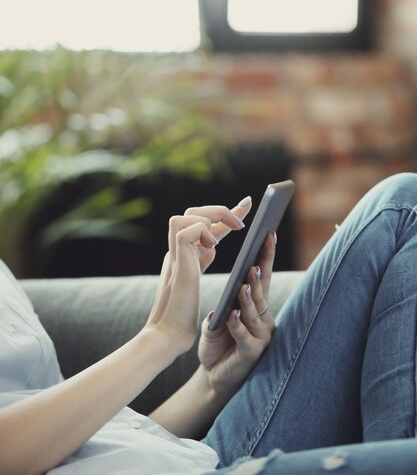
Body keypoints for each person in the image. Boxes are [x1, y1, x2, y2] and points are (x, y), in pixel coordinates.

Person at [1, 172, 417, 475]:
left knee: (401, 204)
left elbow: (80, 445)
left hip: (182, 458)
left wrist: (211, 383)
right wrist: (160, 336)